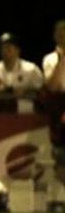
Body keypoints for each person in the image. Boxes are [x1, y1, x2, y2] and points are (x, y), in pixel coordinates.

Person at [40, 20, 65, 186]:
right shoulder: (50, 59)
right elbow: (53, 86)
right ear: (55, 36)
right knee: (61, 161)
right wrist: (62, 59)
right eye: (61, 34)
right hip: (59, 112)